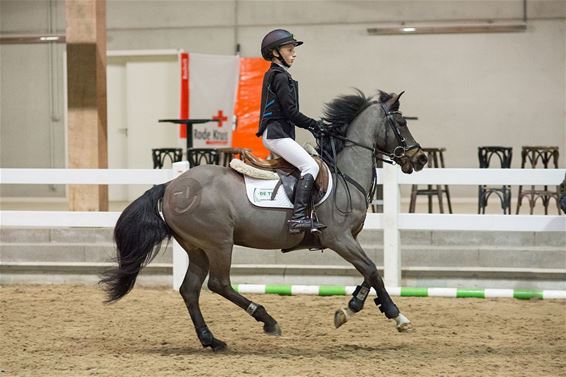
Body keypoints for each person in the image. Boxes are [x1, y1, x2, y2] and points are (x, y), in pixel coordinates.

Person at [257, 29, 326, 234]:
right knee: (310, 167)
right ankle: (297, 218)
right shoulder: (278, 76)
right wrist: (314, 124)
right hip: (275, 134)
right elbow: (291, 112)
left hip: (278, 133)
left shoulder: (279, 74)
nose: (293, 53)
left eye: (293, 49)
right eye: (289, 49)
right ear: (276, 53)